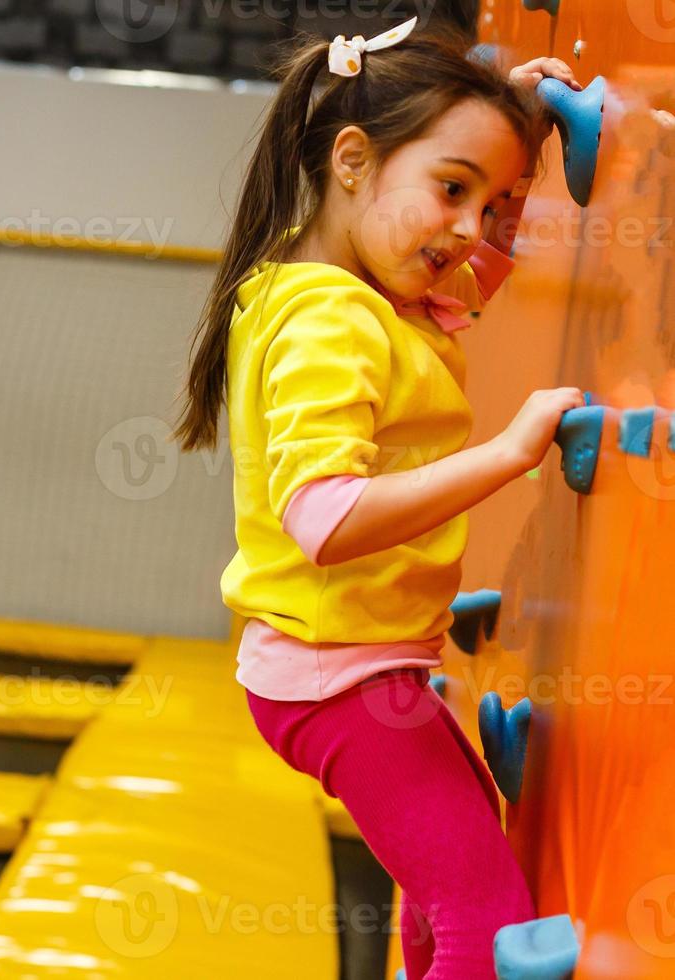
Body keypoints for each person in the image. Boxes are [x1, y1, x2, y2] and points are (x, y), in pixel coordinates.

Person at [173, 20, 584, 980]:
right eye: (453, 189)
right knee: (486, 928)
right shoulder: (333, 320)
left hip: (346, 671)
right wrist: (512, 454)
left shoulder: (323, 280)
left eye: (491, 203)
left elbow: (471, 275)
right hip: (342, 681)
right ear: (351, 160)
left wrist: (507, 131)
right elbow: (324, 518)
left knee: (454, 875)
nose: (471, 229)